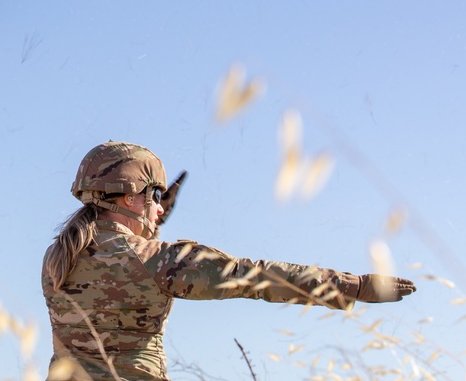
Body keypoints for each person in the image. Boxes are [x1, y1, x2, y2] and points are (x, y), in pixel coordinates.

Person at [42, 141, 416, 381]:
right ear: (129, 197)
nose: (159, 206)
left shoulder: (59, 257)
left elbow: (116, 261)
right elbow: (254, 277)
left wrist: (151, 219)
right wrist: (354, 286)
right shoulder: (156, 261)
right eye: (153, 194)